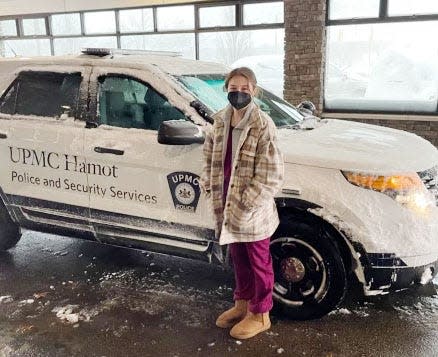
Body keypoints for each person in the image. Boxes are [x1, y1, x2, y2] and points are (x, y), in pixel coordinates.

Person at [200, 67, 284, 339]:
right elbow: (209, 157)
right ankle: (242, 304)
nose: (238, 94)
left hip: (251, 209)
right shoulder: (220, 122)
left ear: (254, 91)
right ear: (226, 90)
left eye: (244, 90)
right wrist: (207, 181)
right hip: (225, 203)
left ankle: (260, 314)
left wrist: (248, 202)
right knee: (238, 259)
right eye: (233, 89)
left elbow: (272, 174)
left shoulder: (262, 125)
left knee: (258, 261)